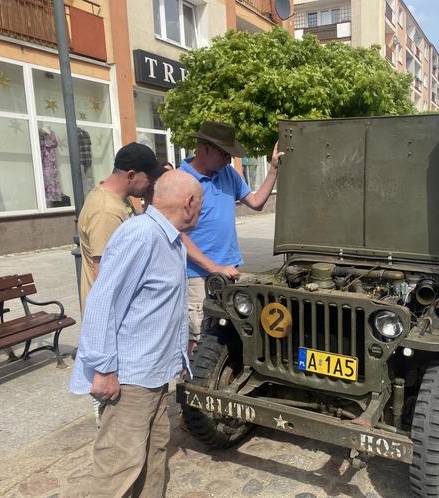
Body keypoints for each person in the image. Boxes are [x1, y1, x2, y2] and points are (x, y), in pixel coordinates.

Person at [70, 170, 203, 497]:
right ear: (188, 203)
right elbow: (104, 302)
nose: (201, 211)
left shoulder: (169, 239)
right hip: (129, 381)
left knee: (153, 457)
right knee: (117, 468)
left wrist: (180, 354)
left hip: (154, 375)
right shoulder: (140, 235)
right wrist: (103, 368)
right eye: (201, 205)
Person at [178, 121, 282, 352]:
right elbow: (178, 234)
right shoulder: (180, 180)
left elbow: (255, 203)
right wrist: (213, 266)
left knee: (232, 329)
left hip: (228, 269)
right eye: (225, 154)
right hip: (197, 276)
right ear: (205, 149)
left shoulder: (228, 174)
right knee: (198, 338)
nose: (229, 159)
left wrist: (274, 169)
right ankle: (194, 384)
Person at [78, 142, 166, 306]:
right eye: (149, 177)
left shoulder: (112, 198)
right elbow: (103, 273)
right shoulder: (106, 210)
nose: (152, 183)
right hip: (110, 314)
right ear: (131, 175)